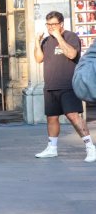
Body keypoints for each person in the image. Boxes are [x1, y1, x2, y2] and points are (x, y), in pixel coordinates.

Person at [33, 11, 95, 162]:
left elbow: (72, 54)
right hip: (51, 86)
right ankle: (52, 148)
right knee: (51, 118)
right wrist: (37, 41)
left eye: (53, 24)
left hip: (68, 85)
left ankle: (90, 147)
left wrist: (59, 36)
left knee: (73, 116)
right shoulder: (46, 41)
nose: (50, 27)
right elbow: (38, 59)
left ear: (61, 24)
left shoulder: (71, 36)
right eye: (48, 24)